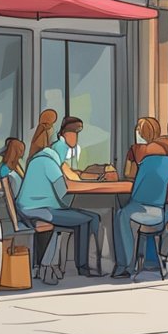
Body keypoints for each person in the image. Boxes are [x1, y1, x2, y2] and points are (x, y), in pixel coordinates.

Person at [16, 117, 102, 279]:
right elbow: (63, 188)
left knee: (92, 217)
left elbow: (67, 178)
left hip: (35, 207)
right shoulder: (48, 161)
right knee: (89, 219)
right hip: (38, 210)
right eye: (75, 134)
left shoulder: (48, 158)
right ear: (65, 136)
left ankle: (87, 265)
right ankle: (85, 267)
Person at [111, 135, 168, 278]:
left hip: (142, 208)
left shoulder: (148, 161)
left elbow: (137, 191)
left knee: (121, 215)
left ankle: (124, 266)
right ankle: (129, 264)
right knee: (125, 215)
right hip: (160, 214)